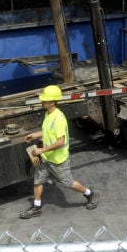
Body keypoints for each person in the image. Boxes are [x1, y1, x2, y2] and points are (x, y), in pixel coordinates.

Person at [20, 85, 99, 219]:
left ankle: (90, 193)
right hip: (46, 158)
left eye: (44, 99)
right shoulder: (48, 114)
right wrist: (34, 135)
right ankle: (37, 207)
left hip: (58, 160)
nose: (42, 101)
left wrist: (42, 149)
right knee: (38, 180)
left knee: (68, 183)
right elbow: (46, 132)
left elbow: (60, 142)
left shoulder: (59, 119)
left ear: (52, 102)